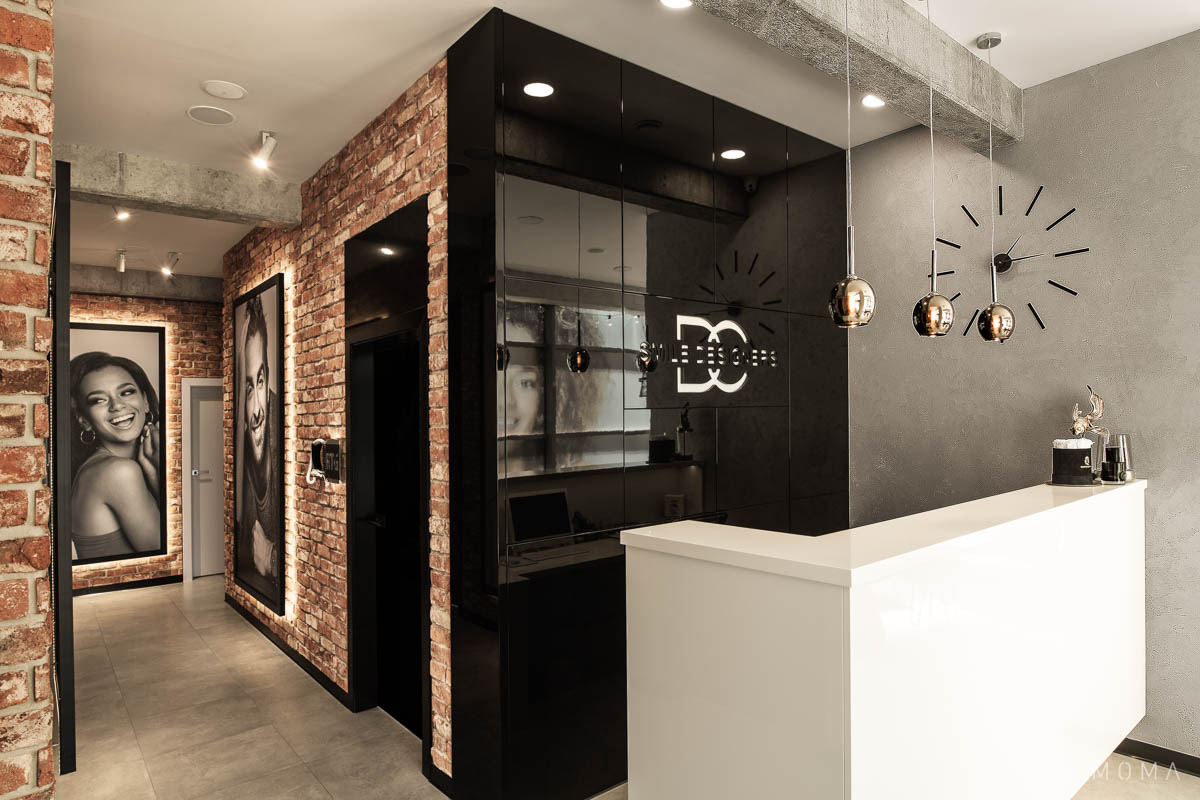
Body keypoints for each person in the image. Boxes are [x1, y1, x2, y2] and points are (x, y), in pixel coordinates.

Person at [70, 352, 162, 560]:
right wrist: (158, 478)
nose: (117, 405)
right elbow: (174, 553)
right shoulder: (118, 472)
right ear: (84, 420)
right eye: (98, 400)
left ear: (145, 401)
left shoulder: (100, 467)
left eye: (126, 392)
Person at [237, 293, 280, 597]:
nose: (256, 411)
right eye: (248, 388)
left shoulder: (283, 429)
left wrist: (271, 559)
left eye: (261, 381)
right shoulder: (243, 449)